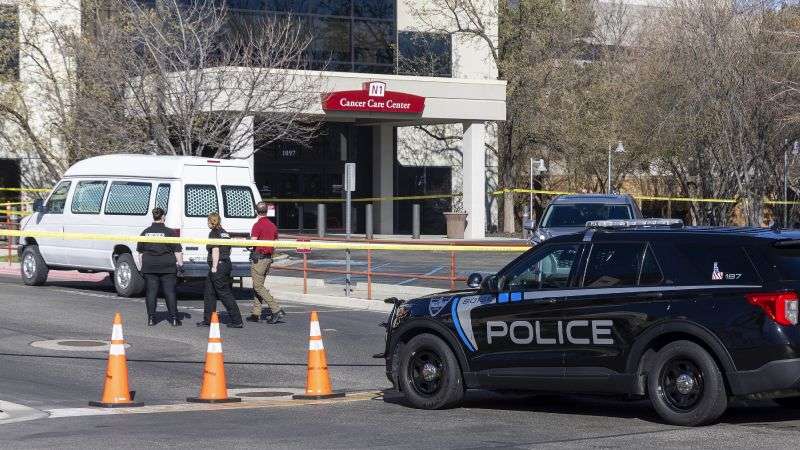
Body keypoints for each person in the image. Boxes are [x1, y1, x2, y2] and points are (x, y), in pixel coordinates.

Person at [136, 207, 183, 326]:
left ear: (154, 217)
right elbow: (178, 251)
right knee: (170, 292)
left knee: (151, 292)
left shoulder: (145, 232)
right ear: (163, 217)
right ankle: (173, 318)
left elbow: (140, 253)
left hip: (149, 265)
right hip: (167, 265)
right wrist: (181, 265)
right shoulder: (169, 232)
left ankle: (151, 319)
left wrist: (142, 267)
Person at [197, 212, 243, 328]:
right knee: (209, 292)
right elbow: (229, 250)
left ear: (210, 221)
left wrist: (214, 267)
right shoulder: (225, 233)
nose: (207, 223)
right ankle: (208, 320)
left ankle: (237, 321)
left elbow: (215, 250)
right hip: (225, 263)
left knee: (224, 293)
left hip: (218, 266)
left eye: (208, 221)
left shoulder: (214, 233)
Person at [247, 202, 285, 324]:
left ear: (256, 212)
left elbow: (253, 243)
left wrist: (247, 244)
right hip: (268, 258)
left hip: (259, 259)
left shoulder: (257, 225)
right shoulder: (273, 226)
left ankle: (276, 309)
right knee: (259, 286)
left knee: (257, 286)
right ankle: (256, 313)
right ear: (266, 212)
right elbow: (276, 242)